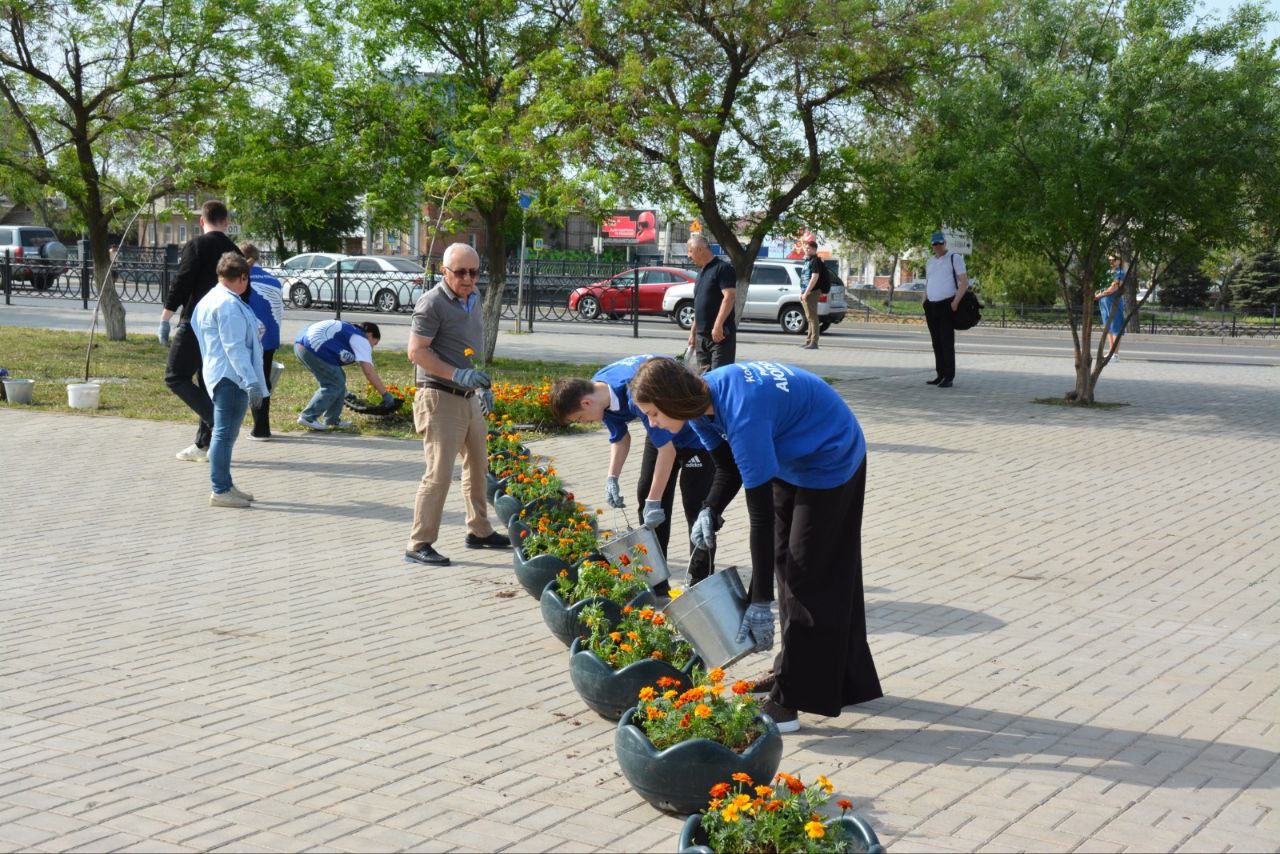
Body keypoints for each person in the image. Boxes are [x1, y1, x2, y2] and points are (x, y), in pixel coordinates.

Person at [629, 357, 882, 733]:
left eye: (652, 414)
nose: (653, 424)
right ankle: (800, 672)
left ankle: (790, 699)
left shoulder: (742, 414)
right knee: (786, 564)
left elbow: (759, 520)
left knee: (805, 575)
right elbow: (728, 468)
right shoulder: (702, 402)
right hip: (789, 456)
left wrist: (759, 600)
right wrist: (709, 510)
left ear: (671, 399)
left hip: (831, 457)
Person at [549, 354, 716, 590]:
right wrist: (612, 478)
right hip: (659, 430)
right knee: (645, 492)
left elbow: (666, 452)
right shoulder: (600, 391)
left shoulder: (633, 393)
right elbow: (620, 438)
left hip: (694, 435)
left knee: (696, 508)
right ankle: (655, 579)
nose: (585, 423)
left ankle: (700, 581)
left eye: (580, 419)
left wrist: (654, 500)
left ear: (586, 403)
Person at [404, 243, 509, 567]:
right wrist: (456, 374)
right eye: (459, 272)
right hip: (438, 396)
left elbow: (465, 347)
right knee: (438, 474)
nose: (467, 278)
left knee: (478, 467)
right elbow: (416, 351)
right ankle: (418, 543)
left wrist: (480, 382)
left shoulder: (474, 298)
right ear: (444, 271)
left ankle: (478, 530)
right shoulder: (432, 303)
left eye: (473, 272)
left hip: (467, 397)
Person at [160, 200, 243, 461]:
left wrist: (166, 317)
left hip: (196, 323)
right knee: (207, 381)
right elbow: (244, 290)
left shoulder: (196, 245)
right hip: (224, 325)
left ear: (201, 221)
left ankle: (216, 421)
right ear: (226, 222)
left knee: (174, 376)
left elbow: (183, 282)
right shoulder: (234, 250)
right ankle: (203, 445)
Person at [191, 253, 268, 508]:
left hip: (219, 372)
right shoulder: (228, 304)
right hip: (231, 377)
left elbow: (199, 330)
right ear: (243, 277)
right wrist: (252, 381)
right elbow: (235, 347)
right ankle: (221, 489)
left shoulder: (211, 299)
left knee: (226, 434)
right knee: (224, 434)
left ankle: (225, 483)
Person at [293, 319, 395, 431]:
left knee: (339, 378)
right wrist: (385, 394)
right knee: (334, 384)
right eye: (374, 343)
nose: (372, 347)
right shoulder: (361, 338)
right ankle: (308, 416)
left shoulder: (351, 331)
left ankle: (332, 420)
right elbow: (369, 372)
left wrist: (344, 393)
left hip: (301, 345)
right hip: (313, 346)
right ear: (370, 335)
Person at [240, 243, 283, 439]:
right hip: (272, 336)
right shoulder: (273, 280)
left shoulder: (242, 279)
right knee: (263, 378)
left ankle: (259, 428)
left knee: (251, 380)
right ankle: (262, 427)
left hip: (252, 337)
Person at [922, 230, 970, 388]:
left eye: (940, 243)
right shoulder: (930, 262)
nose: (937, 246)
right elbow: (928, 283)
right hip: (932, 305)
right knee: (936, 342)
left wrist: (955, 302)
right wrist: (924, 301)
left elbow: (964, 282)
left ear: (945, 243)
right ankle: (940, 374)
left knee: (946, 342)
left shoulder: (954, 258)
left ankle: (949, 377)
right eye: (934, 243)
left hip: (947, 304)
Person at [685, 234, 737, 371]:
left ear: (699, 249)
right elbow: (699, 304)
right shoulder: (701, 273)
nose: (688, 255)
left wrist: (718, 325)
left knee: (719, 379)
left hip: (719, 337)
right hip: (702, 338)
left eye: (690, 250)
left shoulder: (722, 268)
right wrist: (693, 332)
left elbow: (730, 296)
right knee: (703, 381)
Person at [799, 239, 829, 350]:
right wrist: (802, 292)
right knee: (809, 317)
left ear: (814, 249)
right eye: (805, 248)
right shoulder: (808, 261)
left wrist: (806, 293)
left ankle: (814, 342)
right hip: (806, 292)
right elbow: (804, 278)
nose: (806, 250)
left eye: (809, 248)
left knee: (813, 317)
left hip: (812, 292)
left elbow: (814, 277)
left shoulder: (815, 261)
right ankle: (808, 341)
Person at [1095, 255, 1126, 359]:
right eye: (1109, 260)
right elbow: (1101, 285)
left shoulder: (1120, 273)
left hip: (1114, 302)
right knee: (1108, 327)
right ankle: (1111, 351)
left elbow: (1114, 288)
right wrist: (1098, 293)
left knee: (1116, 327)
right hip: (1104, 302)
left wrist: (1101, 294)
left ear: (1119, 261)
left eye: (1113, 260)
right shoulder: (1107, 273)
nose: (1111, 262)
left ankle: (1115, 354)